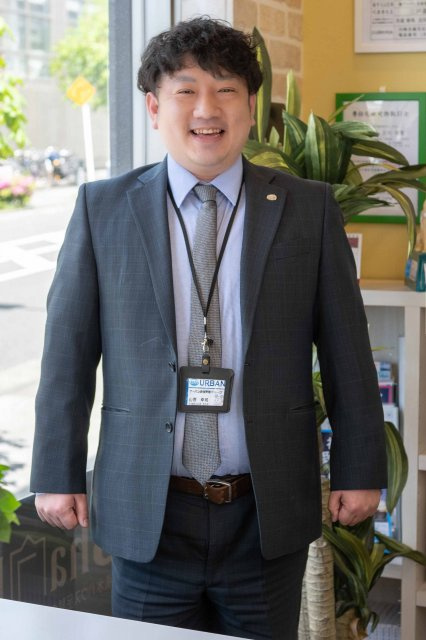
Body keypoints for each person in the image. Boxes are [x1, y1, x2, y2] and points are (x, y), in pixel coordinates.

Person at [31, 17, 387, 640]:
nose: (206, 109)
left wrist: (361, 467)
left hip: (264, 510)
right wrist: (56, 473)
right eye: (186, 90)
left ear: (251, 109)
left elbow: (346, 351)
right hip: (149, 508)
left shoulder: (307, 208)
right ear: (153, 107)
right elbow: (68, 354)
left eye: (226, 90)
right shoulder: (102, 208)